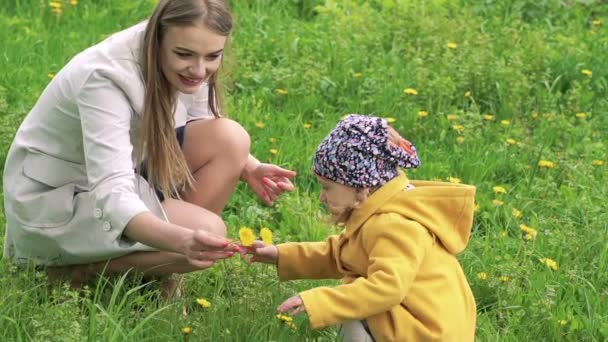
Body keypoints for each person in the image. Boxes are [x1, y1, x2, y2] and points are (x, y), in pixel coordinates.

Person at [2, 0, 296, 291]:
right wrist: (181, 241)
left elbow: (202, 120)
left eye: (213, 56)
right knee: (207, 231)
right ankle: (79, 271)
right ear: (158, 38)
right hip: (59, 199)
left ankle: (162, 271)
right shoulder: (105, 78)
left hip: (127, 171)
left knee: (232, 140)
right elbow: (112, 192)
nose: (198, 69)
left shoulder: (189, 51)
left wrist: (250, 165)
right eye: (185, 54)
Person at [246, 114, 477, 341]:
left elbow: (387, 289)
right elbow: (343, 253)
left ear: (361, 188)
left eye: (327, 187)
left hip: (428, 332)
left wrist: (321, 301)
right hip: (426, 324)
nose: (322, 197)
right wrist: (280, 255)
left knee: (355, 304)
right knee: (353, 295)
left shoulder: (393, 225)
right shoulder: (381, 210)